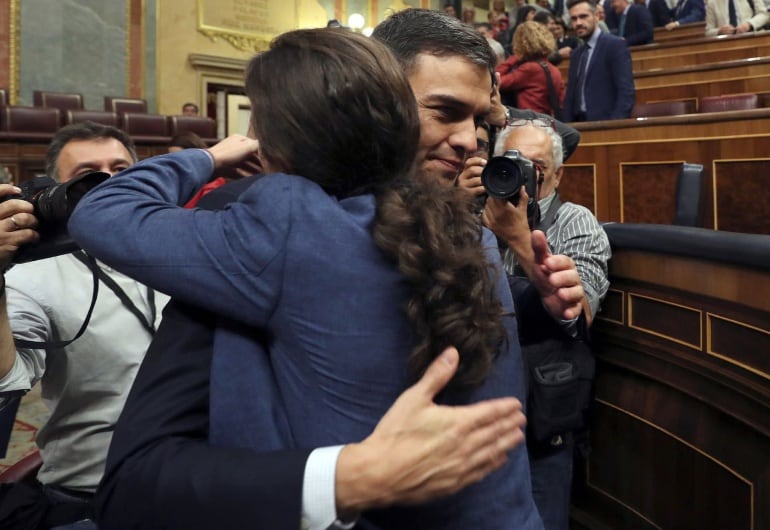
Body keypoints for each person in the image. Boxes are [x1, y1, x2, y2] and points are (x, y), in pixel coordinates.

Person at [72, 27, 572, 529]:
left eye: (479, 120)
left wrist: (210, 156)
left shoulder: (300, 223)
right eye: (444, 112)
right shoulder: (459, 230)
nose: (470, 141)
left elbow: (104, 211)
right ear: (383, 105)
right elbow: (145, 477)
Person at [0, 122, 170, 529]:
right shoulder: (33, 278)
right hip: (91, 501)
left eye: (122, 169)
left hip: (191, 482)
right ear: (57, 192)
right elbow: (7, 383)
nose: (110, 183)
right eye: (88, 175)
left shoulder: (175, 247)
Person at [459, 119, 611, 530]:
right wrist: (457, 211)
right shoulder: (469, 213)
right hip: (474, 412)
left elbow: (580, 315)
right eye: (511, 163)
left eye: (536, 166)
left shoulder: (575, 221)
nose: (521, 174)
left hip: (541, 420)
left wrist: (519, 238)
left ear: (558, 174)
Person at [563, 0, 636, 122]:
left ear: (596, 16)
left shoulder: (614, 45)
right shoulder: (576, 54)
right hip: (578, 127)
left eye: (583, 16)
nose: (578, 23)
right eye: (574, 19)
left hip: (605, 125)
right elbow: (570, 96)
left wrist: (614, 125)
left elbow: (626, 92)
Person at [496, 21, 566, 117]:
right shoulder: (554, 69)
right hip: (549, 122)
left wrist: (514, 57)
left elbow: (497, 80)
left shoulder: (529, 68)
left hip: (530, 123)